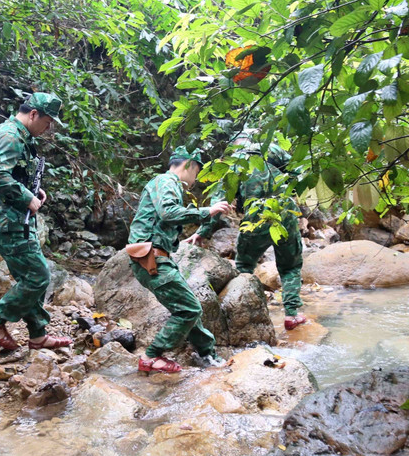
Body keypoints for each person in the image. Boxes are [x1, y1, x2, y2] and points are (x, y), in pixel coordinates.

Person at [0, 92, 72, 351]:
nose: (49, 127)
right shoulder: (10, 135)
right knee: (38, 276)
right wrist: (26, 196)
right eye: (48, 121)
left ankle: (38, 335)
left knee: (31, 277)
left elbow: (12, 174)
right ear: (33, 114)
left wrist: (34, 190)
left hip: (16, 220)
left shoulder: (22, 136)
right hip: (6, 221)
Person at [186, 132, 307, 330]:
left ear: (235, 144)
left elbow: (220, 203)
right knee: (291, 266)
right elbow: (298, 173)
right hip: (285, 215)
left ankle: (243, 314)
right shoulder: (273, 150)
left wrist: (203, 231)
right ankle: (292, 315)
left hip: (255, 219)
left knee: (244, 266)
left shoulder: (233, 164)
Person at [128, 147, 232, 374]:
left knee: (189, 307)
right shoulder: (167, 181)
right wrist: (208, 211)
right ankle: (151, 356)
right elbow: (168, 212)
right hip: (151, 258)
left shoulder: (165, 183)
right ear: (189, 166)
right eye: (196, 173)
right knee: (189, 309)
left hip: (156, 258)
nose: (195, 180)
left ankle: (208, 354)